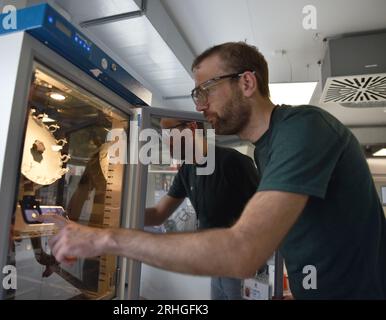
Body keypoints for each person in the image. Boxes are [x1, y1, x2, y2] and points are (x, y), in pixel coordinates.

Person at [42, 42, 386, 299]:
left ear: (247, 83)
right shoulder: (265, 149)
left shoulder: (303, 128)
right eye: (196, 95)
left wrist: (105, 239)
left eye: (206, 90)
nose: (200, 104)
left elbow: (243, 251)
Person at [144, 118, 259, 299]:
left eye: (168, 134)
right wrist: (122, 215)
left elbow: (262, 214)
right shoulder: (187, 170)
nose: (165, 141)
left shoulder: (232, 162)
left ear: (191, 128)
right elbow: (159, 214)